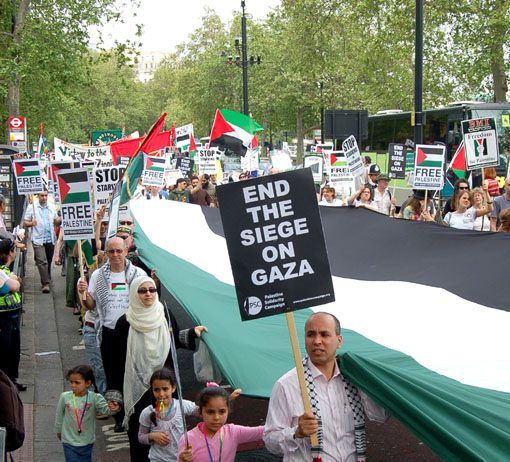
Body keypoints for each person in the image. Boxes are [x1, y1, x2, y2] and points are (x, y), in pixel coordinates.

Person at [263, 312, 388, 461]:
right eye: (311, 335)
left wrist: (366, 383)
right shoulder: (286, 385)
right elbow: (270, 441)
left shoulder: (354, 378)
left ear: (339, 340)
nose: (317, 341)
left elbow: (380, 415)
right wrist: (296, 433)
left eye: (324, 334)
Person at [112, 276, 207, 461]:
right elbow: (116, 361)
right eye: (142, 290)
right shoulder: (124, 323)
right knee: (141, 433)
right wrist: (114, 395)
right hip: (139, 389)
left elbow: (172, 341)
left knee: (168, 432)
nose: (148, 293)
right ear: (133, 293)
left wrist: (191, 333)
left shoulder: (165, 314)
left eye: (152, 290)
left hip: (164, 387)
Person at [77, 237, 147, 432]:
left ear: (126, 251)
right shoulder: (99, 275)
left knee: (132, 374)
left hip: (133, 331)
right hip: (108, 333)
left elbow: (148, 298)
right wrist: (83, 293)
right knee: (112, 376)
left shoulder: (138, 274)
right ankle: (118, 416)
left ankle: (135, 412)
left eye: (119, 251)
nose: (115, 255)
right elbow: (90, 306)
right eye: (111, 252)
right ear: (106, 253)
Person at [178, 384, 264, 462]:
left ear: (228, 411)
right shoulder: (188, 439)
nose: (216, 417)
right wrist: (182, 460)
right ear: (200, 412)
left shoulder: (233, 432)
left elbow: (262, 431)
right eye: (210, 412)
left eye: (222, 412)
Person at [54, 365, 120, 462]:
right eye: (71, 382)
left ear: (88, 383)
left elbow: (106, 410)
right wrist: (58, 430)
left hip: (87, 441)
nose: (73, 385)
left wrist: (114, 409)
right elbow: (59, 415)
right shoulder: (65, 397)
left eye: (77, 383)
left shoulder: (95, 398)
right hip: (68, 440)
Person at [138, 368, 199, 461]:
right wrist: (152, 436)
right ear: (152, 390)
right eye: (156, 390)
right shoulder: (147, 412)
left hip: (182, 458)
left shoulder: (182, 405)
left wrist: (224, 399)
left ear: (173, 388)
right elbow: (141, 436)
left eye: (165, 389)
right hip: (158, 459)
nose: (161, 394)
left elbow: (203, 411)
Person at [0, 238, 25, 391]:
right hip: (3, 319)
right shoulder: (3, 271)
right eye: (14, 250)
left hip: (12, 317)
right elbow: (15, 286)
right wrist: (13, 280)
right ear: (10, 252)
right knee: (5, 352)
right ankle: (6, 386)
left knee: (14, 351)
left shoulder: (6, 271)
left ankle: (11, 382)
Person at [23, 190, 57, 293]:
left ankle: (48, 277)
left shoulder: (51, 206)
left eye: (46, 195)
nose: (44, 198)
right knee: (42, 261)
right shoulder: (32, 207)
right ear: (38, 196)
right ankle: (45, 283)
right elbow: (25, 222)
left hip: (50, 238)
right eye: (42, 196)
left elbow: (55, 220)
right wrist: (32, 223)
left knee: (49, 260)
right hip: (38, 239)